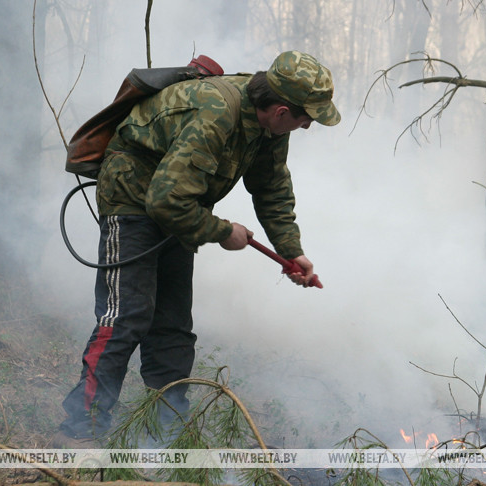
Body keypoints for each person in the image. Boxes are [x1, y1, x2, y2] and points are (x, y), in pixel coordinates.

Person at [55, 50, 340, 444]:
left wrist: (291, 250)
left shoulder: (271, 128)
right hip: (133, 199)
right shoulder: (216, 113)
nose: (308, 125)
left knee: (172, 324)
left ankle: (167, 431)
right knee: (127, 316)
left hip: (181, 206)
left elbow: (271, 187)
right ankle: (79, 431)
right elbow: (163, 200)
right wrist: (223, 232)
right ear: (280, 110)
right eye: (306, 116)